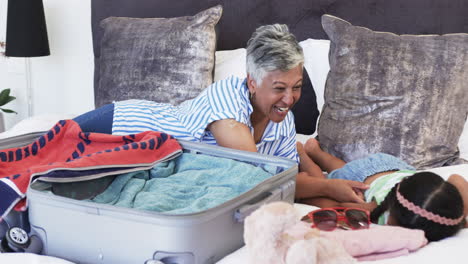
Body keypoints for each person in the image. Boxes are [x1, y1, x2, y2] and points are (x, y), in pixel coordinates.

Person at [73, 24, 369, 204]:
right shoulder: (226, 98)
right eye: (279, 88)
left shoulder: (282, 122)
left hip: (144, 161)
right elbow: (258, 177)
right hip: (120, 125)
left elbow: (288, 183)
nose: (289, 99)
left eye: (297, 87)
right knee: (40, 154)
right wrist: (330, 186)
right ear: (252, 82)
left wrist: (345, 202)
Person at [298, 138, 468, 242]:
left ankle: (314, 151)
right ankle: (304, 155)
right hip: (367, 174)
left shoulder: (445, 218)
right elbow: (331, 203)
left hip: (395, 166)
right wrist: (306, 193)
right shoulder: (376, 209)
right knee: (332, 182)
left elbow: (456, 180)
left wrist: (457, 213)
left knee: (344, 174)